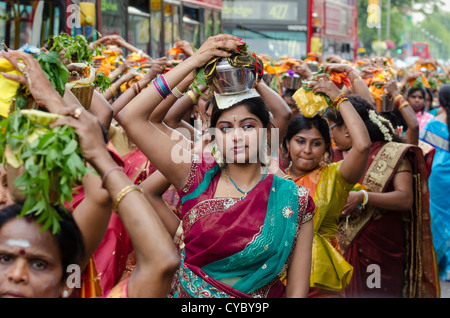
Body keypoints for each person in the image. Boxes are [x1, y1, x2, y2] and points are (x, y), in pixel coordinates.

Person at [117, 34, 315, 298]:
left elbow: (297, 294)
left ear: (267, 132)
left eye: (247, 126)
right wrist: (194, 64)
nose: (236, 136)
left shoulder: (294, 200)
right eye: (225, 127)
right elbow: (132, 117)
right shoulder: (195, 174)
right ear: (213, 134)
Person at [0, 50, 180, 298]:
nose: (17, 274)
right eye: (4, 258)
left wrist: (54, 90)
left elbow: (162, 263)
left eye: (39, 263)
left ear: (66, 282)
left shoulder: (64, 223)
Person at [326, 95, 439, 298]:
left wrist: (364, 197)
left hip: (378, 246)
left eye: (332, 127)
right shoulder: (333, 155)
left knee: (374, 292)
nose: (330, 134)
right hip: (341, 244)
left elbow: (405, 198)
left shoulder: (391, 153)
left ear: (347, 128)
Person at [282, 74, 371, 297]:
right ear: (287, 143)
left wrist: (338, 98)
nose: (307, 150)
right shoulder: (274, 180)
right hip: (277, 274)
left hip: (321, 278)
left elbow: (362, 146)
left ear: (326, 149)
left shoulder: (334, 176)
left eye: (316, 143)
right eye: (300, 141)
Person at [420, 84, 450, 282]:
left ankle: (440, 263)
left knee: (438, 220)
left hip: (437, 179)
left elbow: (422, 153)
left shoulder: (433, 125)